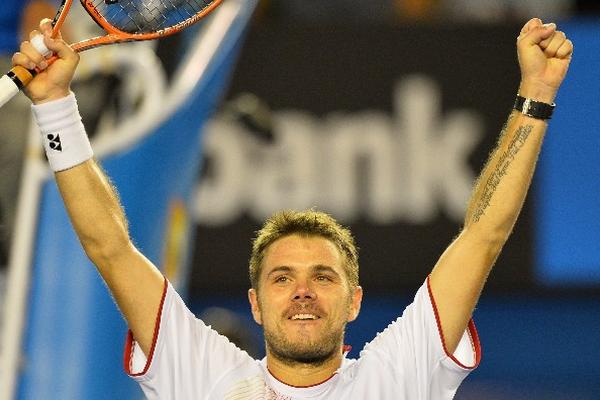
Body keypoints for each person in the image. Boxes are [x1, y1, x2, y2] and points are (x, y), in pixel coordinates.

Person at [11, 17, 572, 399]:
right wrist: (56, 108)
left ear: (354, 302)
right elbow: (108, 247)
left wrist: (536, 95)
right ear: (254, 305)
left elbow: (483, 236)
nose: (303, 290)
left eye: (322, 276)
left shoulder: (396, 376)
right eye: (283, 278)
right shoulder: (203, 372)